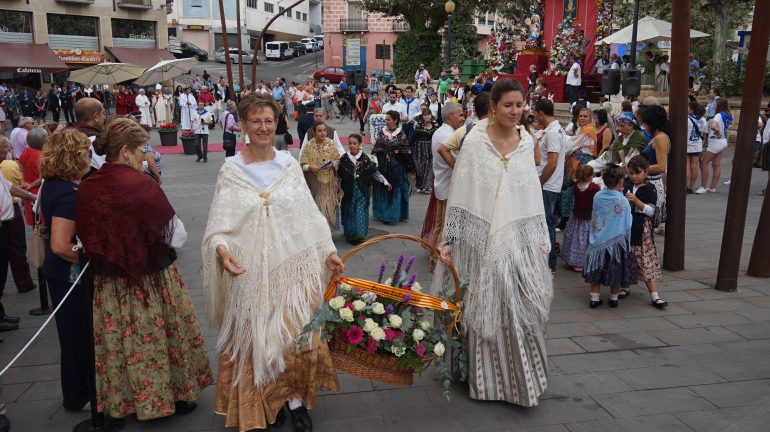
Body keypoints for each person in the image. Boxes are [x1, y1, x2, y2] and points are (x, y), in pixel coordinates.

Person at [202, 94, 343, 432]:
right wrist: (222, 252)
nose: (263, 127)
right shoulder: (231, 170)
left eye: (269, 120)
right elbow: (218, 225)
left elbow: (308, 215)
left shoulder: (289, 164)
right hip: (248, 271)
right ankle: (267, 399)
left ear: (277, 123)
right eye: (256, 121)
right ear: (243, 125)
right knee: (255, 339)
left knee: (293, 337)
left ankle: (294, 401)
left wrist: (328, 251)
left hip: (292, 267)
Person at [77, 118, 212, 421]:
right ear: (125, 151)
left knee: (121, 342)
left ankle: (128, 400)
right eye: (141, 150)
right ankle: (172, 395)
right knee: (158, 336)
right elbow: (176, 235)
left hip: (109, 282)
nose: (144, 155)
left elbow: (85, 234)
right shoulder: (141, 184)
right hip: (151, 279)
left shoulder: (88, 184)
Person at [436, 78, 553, 407]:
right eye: (508, 105)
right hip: (478, 242)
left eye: (519, 105)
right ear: (494, 107)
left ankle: (522, 382)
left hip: (518, 243)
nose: (515, 111)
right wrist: (451, 239)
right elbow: (462, 192)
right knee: (478, 309)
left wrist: (539, 238)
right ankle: (485, 379)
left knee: (519, 310)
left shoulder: (526, 140)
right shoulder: (474, 141)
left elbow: (530, 193)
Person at [37, 130, 91, 411]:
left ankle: (77, 393)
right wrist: (91, 259)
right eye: (85, 151)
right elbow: (60, 245)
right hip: (68, 276)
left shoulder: (53, 183)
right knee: (76, 338)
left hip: (59, 274)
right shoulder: (67, 193)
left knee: (72, 337)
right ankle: (78, 396)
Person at [584, 164, 636, 308]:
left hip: (599, 240)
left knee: (597, 269)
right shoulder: (623, 201)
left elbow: (595, 216)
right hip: (617, 244)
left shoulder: (598, 196)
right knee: (615, 270)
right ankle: (614, 298)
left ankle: (594, 298)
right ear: (621, 182)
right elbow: (628, 222)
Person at [621, 155, 668, 308]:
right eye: (631, 173)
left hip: (642, 230)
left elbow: (650, 211)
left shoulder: (649, 189)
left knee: (645, 260)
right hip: (626, 227)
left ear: (646, 172)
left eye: (637, 172)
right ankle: (625, 287)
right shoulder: (626, 184)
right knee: (626, 258)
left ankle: (655, 296)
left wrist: (637, 201)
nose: (634, 176)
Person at [533, 99, 566, 272]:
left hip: (547, 186)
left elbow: (552, 163)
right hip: (549, 184)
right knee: (546, 223)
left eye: (535, 112)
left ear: (540, 113)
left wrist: (539, 182)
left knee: (546, 225)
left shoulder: (553, 133)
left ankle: (549, 263)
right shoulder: (553, 130)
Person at [338, 134, 390, 243]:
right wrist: (335, 187)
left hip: (361, 191)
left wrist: (385, 181)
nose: (351, 145)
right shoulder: (344, 158)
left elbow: (374, 172)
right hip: (348, 192)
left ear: (360, 144)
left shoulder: (365, 158)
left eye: (354, 143)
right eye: (350, 143)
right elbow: (339, 175)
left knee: (360, 211)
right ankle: (350, 234)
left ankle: (360, 235)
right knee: (349, 211)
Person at [372, 110, 416, 224]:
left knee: (395, 190)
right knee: (384, 187)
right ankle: (382, 213)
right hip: (383, 165)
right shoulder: (382, 132)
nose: (386, 122)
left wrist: (411, 168)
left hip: (397, 167)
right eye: (385, 119)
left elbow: (406, 152)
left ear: (395, 120)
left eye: (388, 120)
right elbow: (376, 148)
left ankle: (393, 215)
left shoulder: (401, 134)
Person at [300, 122, 343, 230]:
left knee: (329, 206)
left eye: (324, 130)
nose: (323, 133)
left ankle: (328, 232)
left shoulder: (331, 143)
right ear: (314, 132)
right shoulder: (309, 145)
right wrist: (310, 167)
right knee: (317, 207)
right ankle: (318, 233)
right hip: (314, 182)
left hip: (329, 182)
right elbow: (303, 163)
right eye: (319, 131)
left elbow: (338, 160)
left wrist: (332, 164)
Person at [561, 165, 600, 272]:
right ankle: (581, 262)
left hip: (577, 216)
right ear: (590, 177)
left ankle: (570, 258)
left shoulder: (576, 186)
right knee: (585, 239)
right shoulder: (594, 188)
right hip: (588, 216)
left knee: (575, 237)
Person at [637, 105, 671, 229]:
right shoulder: (656, 137)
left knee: (646, 225)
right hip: (649, 181)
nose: (644, 125)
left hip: (653, 182)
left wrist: (638, 170)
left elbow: (662, 166)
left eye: (645, 122)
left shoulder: (660, 138)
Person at [696, 98, 731, 194]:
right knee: (716, 164)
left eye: (715, 103)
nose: (713, 105)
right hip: (723, 141)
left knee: (703, 163)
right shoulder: (728, 115)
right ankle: (712, 187)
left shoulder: (718, 115)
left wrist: (717, 131)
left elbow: (713, 126)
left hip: (716, 141)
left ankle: (703, 186)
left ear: (719, 105)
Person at [73, 98, 107, 170]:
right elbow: (105, 169)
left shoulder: (65, 135)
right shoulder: (95, 141)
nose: (105, 117)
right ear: (96, 117)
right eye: (103, 113)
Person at [410, 108, 439, 193]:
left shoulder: (436, 124)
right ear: (422, 116)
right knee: (419, 167)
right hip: (419, 148)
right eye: (425, 115)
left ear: (431, 115)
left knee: (429, 166)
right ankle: (419, 185)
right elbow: (413, 137)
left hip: (430, 148)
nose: (427, 117)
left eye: (428, 114)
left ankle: (427, 186)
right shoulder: (418, 124)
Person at [686, 101, 706, 194]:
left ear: (692, 109)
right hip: (697, 145)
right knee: (694, 167)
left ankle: (685, 186)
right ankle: (690, 187)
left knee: (687, 167)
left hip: (687, 144)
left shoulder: (687, 119)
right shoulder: (703, 120)